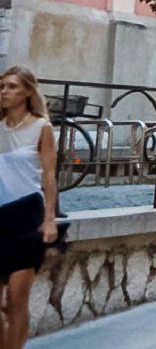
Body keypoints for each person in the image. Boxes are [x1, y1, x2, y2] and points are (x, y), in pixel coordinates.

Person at [0, 67, 57, 349]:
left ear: (27, 91)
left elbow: (49, 176)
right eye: (2, 86)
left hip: (26, 214)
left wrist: (50, 219)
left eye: (12, 86)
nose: (4, 92)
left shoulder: (41, 127)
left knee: (16, 298)